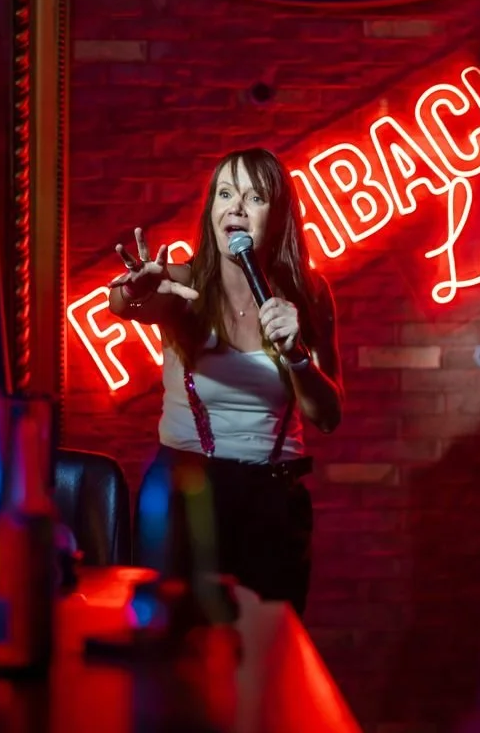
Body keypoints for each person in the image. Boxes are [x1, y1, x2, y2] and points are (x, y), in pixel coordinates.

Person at [107, 147, 343, 616]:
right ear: (212, 209)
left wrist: (295, 355)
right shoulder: (182, 285)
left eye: (254, 197)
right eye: (225, 193)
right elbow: (124, 304)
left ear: (277, 217)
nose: (235, 206)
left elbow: (328, 417)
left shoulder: (308, 294)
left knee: (264, 658)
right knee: (179, 656)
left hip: (274, 500)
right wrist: (134, 289)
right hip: (187, 492)